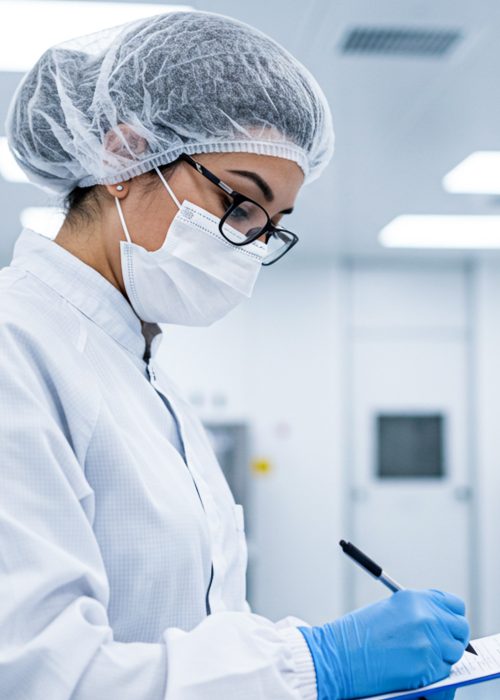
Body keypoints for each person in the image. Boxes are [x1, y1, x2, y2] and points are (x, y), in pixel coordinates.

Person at [0, 9, 467, 700]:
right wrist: (316, 664)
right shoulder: (18, 348)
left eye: (272, 227)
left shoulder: (138, 368)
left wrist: (333, 685)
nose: (249, 242)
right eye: (243, 203)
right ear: (123, 157)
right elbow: (41, 675)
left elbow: (194, 628)